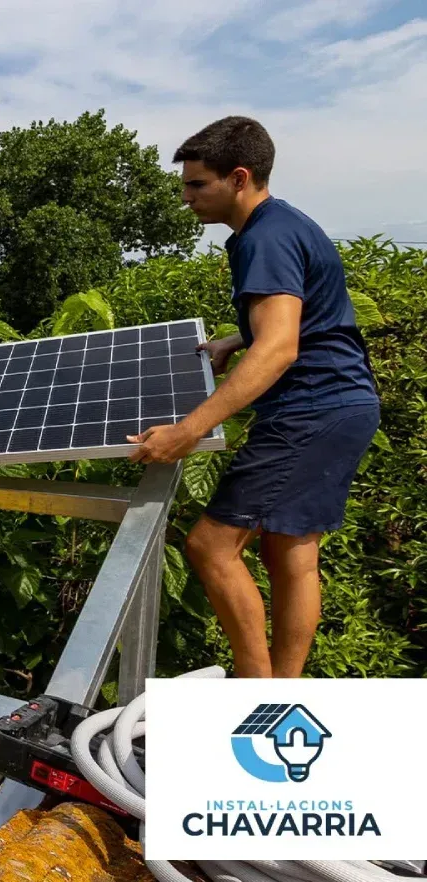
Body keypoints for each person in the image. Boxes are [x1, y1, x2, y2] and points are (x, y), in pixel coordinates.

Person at [127, 116, 379, 678]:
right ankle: (281, 691)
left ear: (239, 178)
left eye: (197, 185)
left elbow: (280, 349)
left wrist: (186, 432)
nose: (185, 196)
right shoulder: (280, 226)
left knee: (211, 547)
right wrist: (235, 339)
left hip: (311, 407)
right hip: (342, 404)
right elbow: (302, 315)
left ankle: (253, 688)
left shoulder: (263, 238)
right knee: (290, 551)